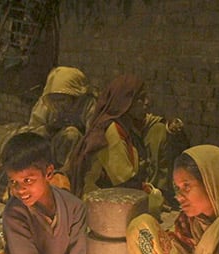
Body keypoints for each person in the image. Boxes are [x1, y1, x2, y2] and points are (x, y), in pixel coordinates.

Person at [66, 74, 182, 211]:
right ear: (126, 102)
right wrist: (154, 197)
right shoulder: (112, 131)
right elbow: (125, 183)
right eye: (140, 98)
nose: (147, 102)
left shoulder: (125, 125)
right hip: (99, 205)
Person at [17, 66, 97, 172]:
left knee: (71, 134)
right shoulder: (47, 105)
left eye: (62, 100)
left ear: (75, 97)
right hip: (49, 151)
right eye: (54, 100)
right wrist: (49, 129)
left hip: (78, 156)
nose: (58, 104)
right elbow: (33, 133)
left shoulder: (88, 105)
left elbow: (92, 136)